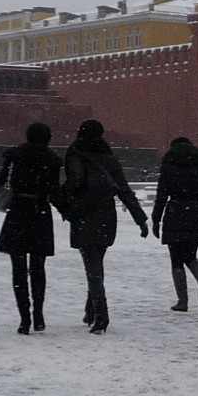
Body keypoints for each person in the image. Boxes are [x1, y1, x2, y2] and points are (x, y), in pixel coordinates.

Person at [63, 119, 149, 334]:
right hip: (106, 216)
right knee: (96, 264)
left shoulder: (75, 153)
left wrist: (65, 204)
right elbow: (124, 190)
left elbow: (73, 183)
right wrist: (140, 218)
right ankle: (91, 310)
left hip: (84, 214)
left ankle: (101, 315)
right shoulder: (108, 157)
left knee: (92, 267)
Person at [0, 123, 68, 334]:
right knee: (38, 268)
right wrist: (67, 211)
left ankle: (24, 318)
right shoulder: (51, 159)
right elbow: (54, 191)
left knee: (18, 270)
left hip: (17, 212)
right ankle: (38, 314)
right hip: (40, 214)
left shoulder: (15, 156)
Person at [152, 137, 198, 312]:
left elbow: (161, 196)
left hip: (174, 213)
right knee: (190, 256)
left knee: (176, 260)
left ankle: (183, 301)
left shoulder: (168, 168)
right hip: (195, 213)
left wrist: (155, 219)